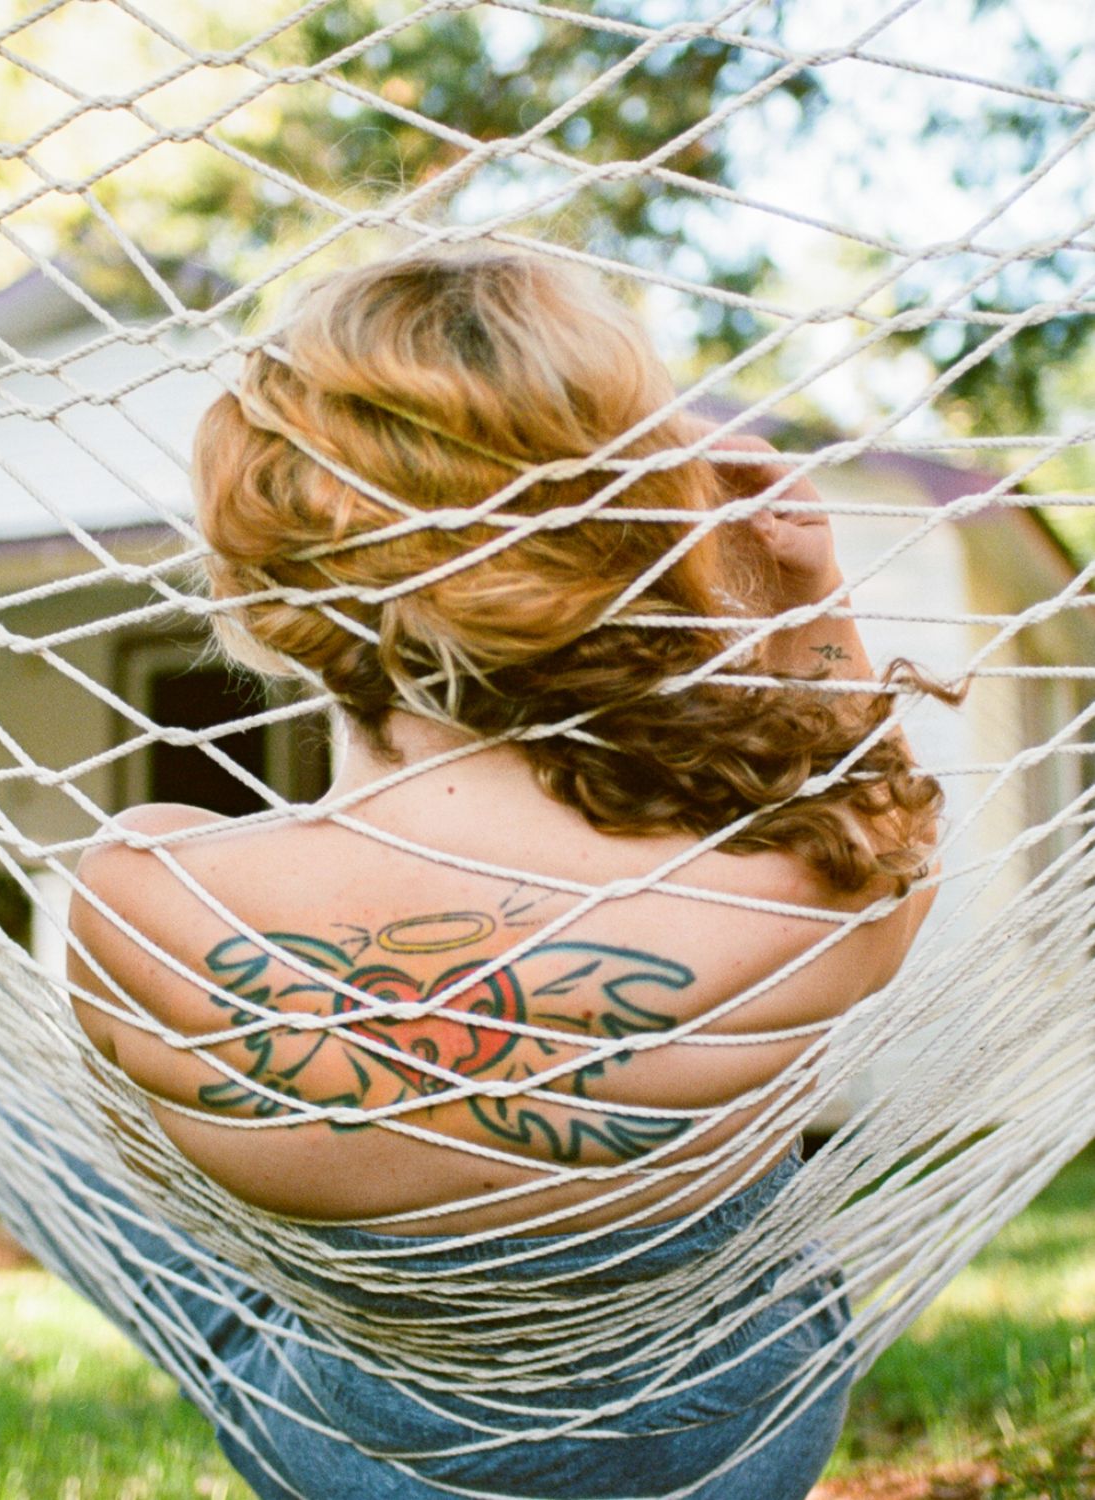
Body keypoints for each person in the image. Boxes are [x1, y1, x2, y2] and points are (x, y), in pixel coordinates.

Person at [60, 249, 948, 1499]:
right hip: (733, 1446)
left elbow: (144, 1157)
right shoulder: (804, 885)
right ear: (623, 543)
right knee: (744, 1205)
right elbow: (886, 811)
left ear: (266, 577)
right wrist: (802, 593)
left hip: (343, 1454)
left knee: (50, 1150)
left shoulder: (143, 892)